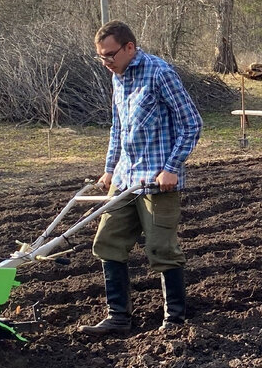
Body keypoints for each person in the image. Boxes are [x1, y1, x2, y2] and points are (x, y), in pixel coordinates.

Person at [80, 20, 202, 337]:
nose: (106, 62)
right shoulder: (118, 78)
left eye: (110, 55)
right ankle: (118, 317)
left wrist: (172, 167)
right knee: (107, 241)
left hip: (158, 181)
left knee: (162, 248)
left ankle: (174, 321)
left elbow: (192, 124)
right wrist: (109, 168)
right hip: (125, 177)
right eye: (101, 57)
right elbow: (117, 128)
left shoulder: (159, 73)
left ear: (129, 48)